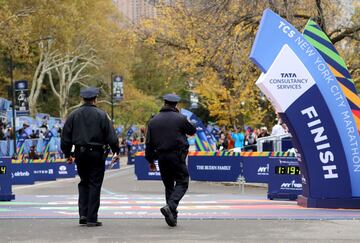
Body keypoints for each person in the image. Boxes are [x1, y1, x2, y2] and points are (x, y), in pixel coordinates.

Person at [61, 87, 120, 227]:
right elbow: (111, 136)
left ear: (82, 99)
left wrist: (67, 154)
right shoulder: (102, 115)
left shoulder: (73, 115)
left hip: (80, 153)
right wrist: (116, 151)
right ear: (96, 99)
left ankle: (83, 214)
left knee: (84, 182)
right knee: (95, 183)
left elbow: (65, 137)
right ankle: (91, 217)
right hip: (97, 153)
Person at [145, 93, 196, 227]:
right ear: (176, 105)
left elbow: (149, 144)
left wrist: (150, 161)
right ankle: (171, 206)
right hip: (177, 156)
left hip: (161, 157)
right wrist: (183, 118)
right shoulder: (180, 118)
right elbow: (192, 131)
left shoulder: (153, 120)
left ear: (164, 103)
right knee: (183, 182)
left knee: (168, 185)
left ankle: (172, 217)